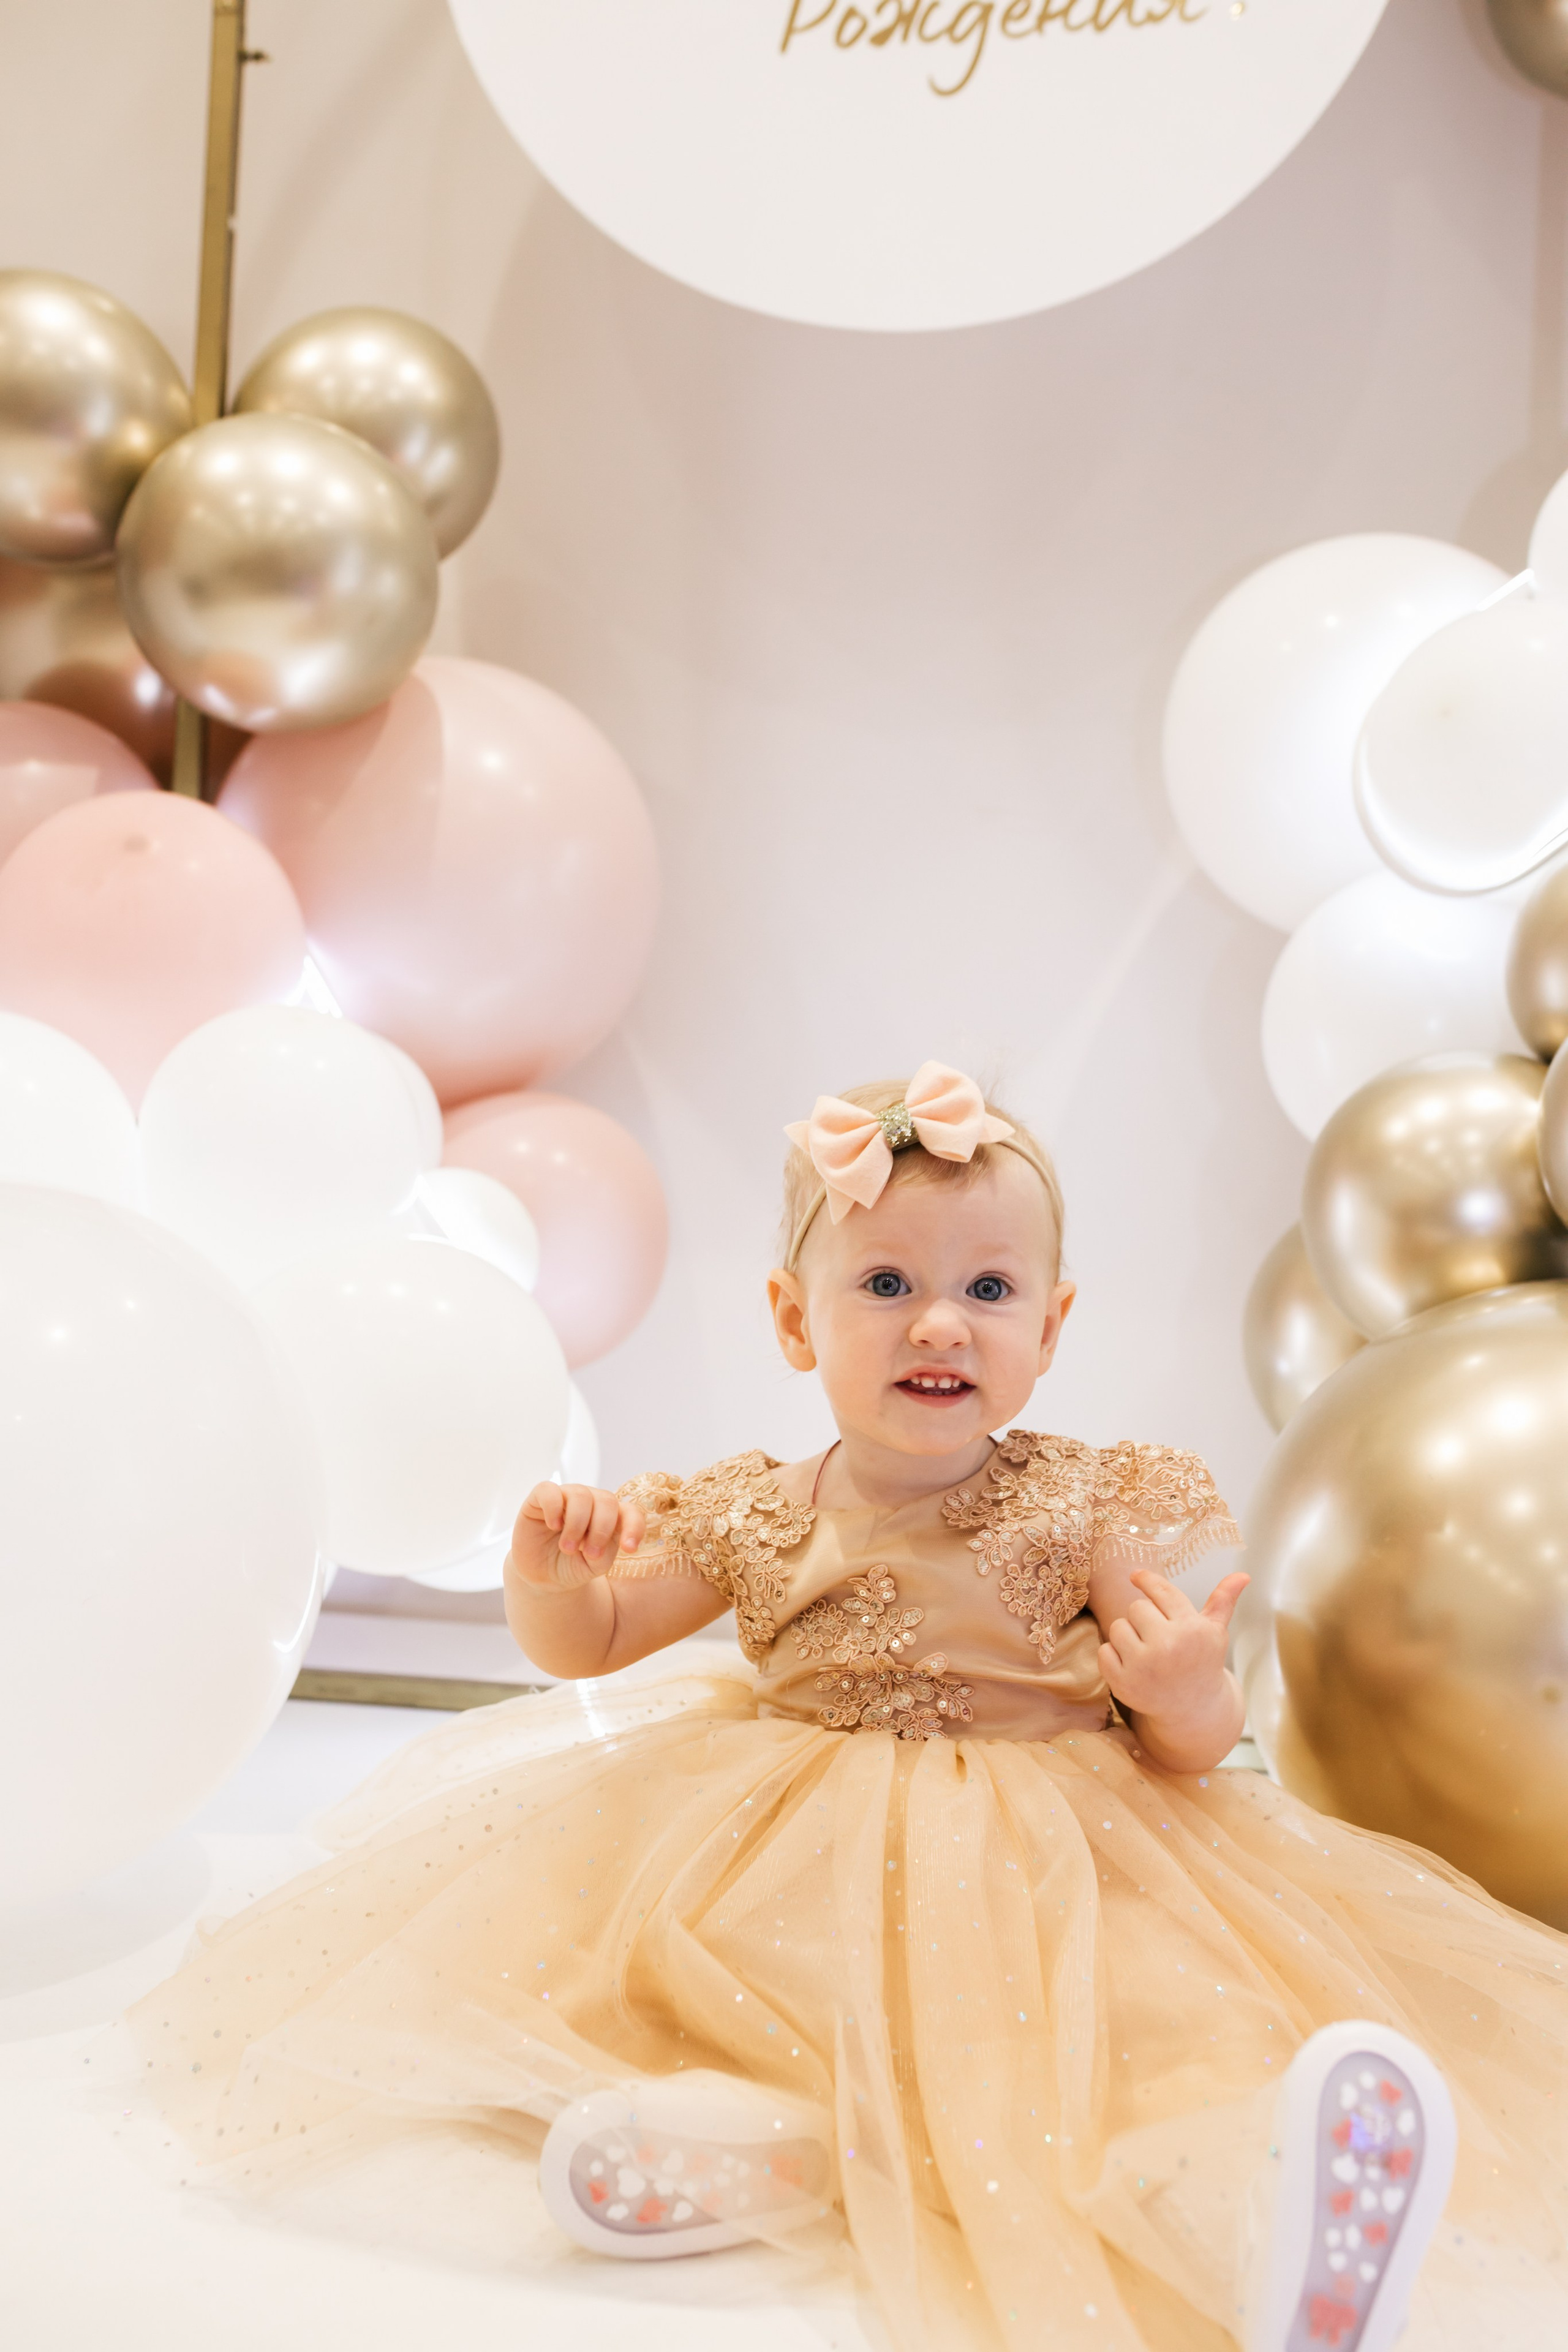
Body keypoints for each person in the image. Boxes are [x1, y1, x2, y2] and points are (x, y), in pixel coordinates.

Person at [129, 1066, 1567, 2352]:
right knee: (711, 2002)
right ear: (789, 1317)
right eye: (884, 1284)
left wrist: (1187, 1689)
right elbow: (596, 1640)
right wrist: (548, 1580)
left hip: (1063, 1861)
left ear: (1051, 1327)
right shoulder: (750, 1510)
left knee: (1128, 2046)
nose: (938, 1322)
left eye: (988, 1292)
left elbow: (1195, 1746)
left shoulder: (1098, 1501)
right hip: (788, 1855)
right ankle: (752, 2150)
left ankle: (1263, 2215)